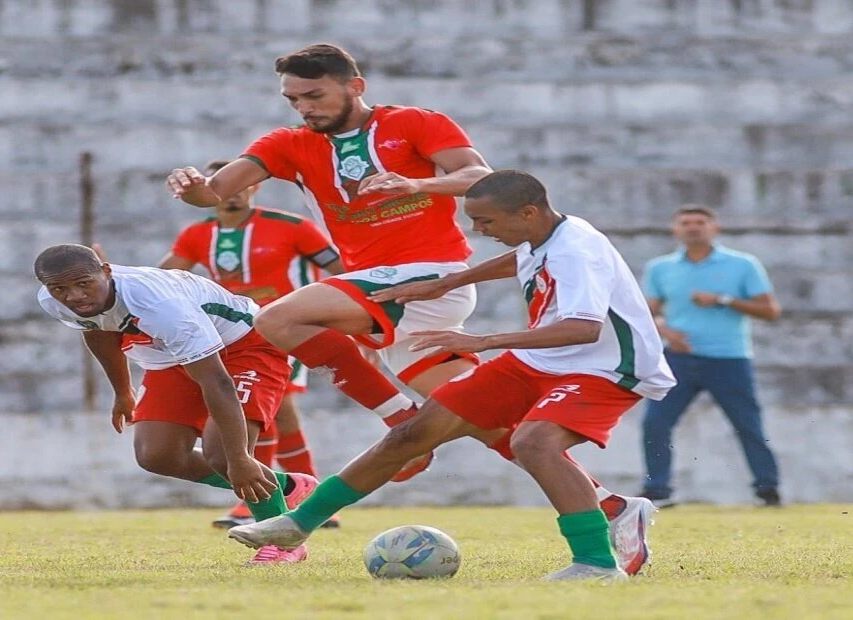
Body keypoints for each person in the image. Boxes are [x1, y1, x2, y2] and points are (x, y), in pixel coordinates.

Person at [164, 47, 654, 565]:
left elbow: (477, 177)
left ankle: (393, 411)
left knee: (277, 318)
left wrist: (417, 182)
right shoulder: (287, 144)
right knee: (490, 426)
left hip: (431, 275)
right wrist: (194, 187)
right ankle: (614, 506)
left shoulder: (415, 124)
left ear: (355, 85)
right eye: (293, 99)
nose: (304, 108)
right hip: (381, 293)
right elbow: (215, 191)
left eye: (315, 95)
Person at [227, 171, 676, 581]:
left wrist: (484, 341)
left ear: (528, 212)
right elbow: (522, 260)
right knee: (411, 434)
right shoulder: (549, 233)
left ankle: (596, 564)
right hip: (543, 360)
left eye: (485, 221)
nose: (478, 231)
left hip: (607, 367)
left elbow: (584, 328)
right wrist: (443, 284)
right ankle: (297, 524)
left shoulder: (578, 252)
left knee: (533, 443)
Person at [34, 244, 318, 564]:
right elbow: (98, 330)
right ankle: (284, 486)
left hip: (247, 345)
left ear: (107, 272)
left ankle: (285, 543)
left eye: (84, 284)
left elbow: (217, 382)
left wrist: (238, 458)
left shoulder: (161, 305)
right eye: (60, 288)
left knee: (224, 453)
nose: (74, 297)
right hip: (169, 355)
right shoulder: (53, 300)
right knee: (158, 455)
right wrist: (123, 391)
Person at [160, 158, 345, 529]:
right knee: (281, 415)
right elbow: (165, 277)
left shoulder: (293, 227)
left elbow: (343, 269)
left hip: (284, 329)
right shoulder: (196, 235)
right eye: (225, 185)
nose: (235, 192)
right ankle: (312, 495)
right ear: (210, 191)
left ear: (255, 187)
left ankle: (254, 500)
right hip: (228, 334)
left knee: (267, 411)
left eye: (243, 184)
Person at [639, 205, 783, 507]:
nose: (693, 228)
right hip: (678, 358)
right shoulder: (660, 268)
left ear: (714, 228)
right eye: (686, 222)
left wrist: (723, 300)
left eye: (700, 222)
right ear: (675, 229)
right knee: (655, 422)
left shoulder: (742, 264)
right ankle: (658, 491)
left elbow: (770, 311)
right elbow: (645, 314)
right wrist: (666, 331)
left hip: (728, 358)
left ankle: (767, 490)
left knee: (748, 425)